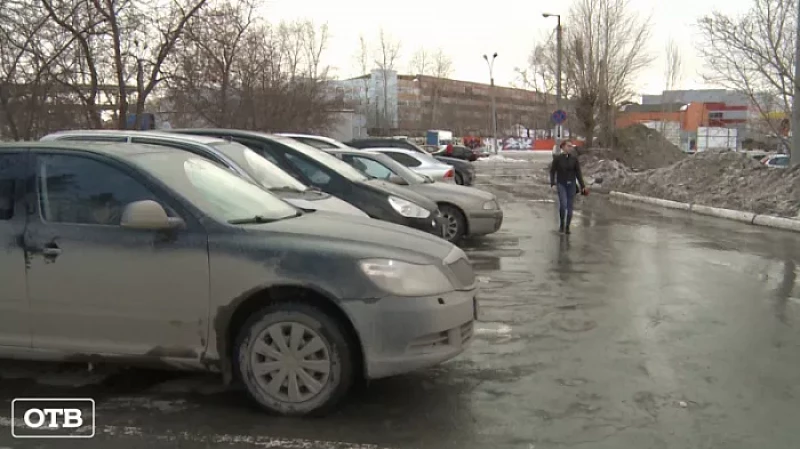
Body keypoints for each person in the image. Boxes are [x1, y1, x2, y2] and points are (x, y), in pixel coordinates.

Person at [550, 141, 586, 234]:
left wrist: (583, 186)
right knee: (563, 205)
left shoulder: (574, 159)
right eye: (568, 146)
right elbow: (552, 171)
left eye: (571, 146)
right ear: (563, 147)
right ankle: (562, 225)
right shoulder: (557, 159)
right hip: (561, 184)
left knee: (570, 207)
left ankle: (567, 227)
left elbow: (578, 173)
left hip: (572, 185)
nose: (570, 148)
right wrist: (552, 183)